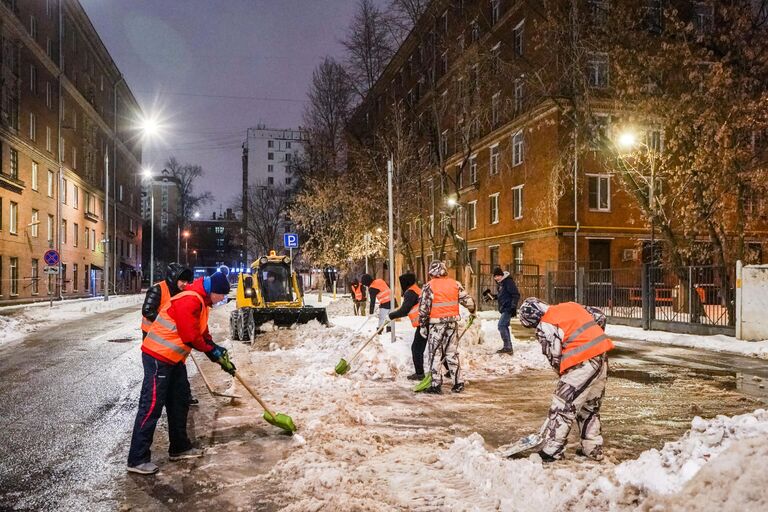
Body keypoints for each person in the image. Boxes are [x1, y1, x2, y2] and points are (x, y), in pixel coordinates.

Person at [127, 267, 236, 475]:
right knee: (151, 406)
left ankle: (179, 447)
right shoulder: (190, 299)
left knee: (180, 400)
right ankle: (137, 458)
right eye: (221, 295)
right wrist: (211, 352)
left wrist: (218, 352)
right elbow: (189, 336)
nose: (222, 299)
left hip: (174, 359)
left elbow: (202, 333)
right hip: (158, 357)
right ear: (213, 290)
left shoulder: (202, 302)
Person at [518, 297, 614, 462]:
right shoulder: (569, 306)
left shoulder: (545, 325)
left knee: (562, 405)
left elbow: (554, 356)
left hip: (581, 364)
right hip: (601, 356)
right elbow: (599, 316)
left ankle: (552, 450)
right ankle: (592, 449)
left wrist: (563, 376)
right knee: (589, 406)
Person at [141, 263, 197, 405]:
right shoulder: (157, 289)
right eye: (182, 281)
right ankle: (155, 398)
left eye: (186, 281)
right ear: (173, 278)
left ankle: (183, 395)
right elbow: (147, 310)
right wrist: (169, 323)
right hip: (153, 337)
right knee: (157, 372)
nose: (185, 284)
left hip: (171, 337)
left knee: (179, 366)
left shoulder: (180, 292)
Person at [417, 261, 476, 394]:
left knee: (435, 353)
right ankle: (458, 382)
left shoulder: (429, 286)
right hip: (451, 324)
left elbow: (423, 309)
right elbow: (469, 301)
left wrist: (423, 325)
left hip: (436, 325)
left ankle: (436, 384)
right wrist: (473, 312)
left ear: (431, 273)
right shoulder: (455, 284)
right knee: (451, 353)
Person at [387, 272, 426, 380]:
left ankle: (420, 374)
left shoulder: (411, 292)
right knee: (439, 347)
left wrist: (391, 315)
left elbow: (404, 311)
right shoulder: (417, 289)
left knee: (416, 349)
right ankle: (449, 371)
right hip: (427, 322)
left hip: (424, 324)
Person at [492, 267, 520, 355]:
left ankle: (507, 347)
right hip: (504, 308)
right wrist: (493, 296)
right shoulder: (501, 284)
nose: (495, 278)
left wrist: (513, 307)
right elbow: (503, 295)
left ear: (501, 275)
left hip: (508, 308)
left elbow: (516, 294)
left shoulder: (508, 282)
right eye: (494, 276)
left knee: (501, 325)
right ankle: (508, 346)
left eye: (497, 276)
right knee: (504, 326)